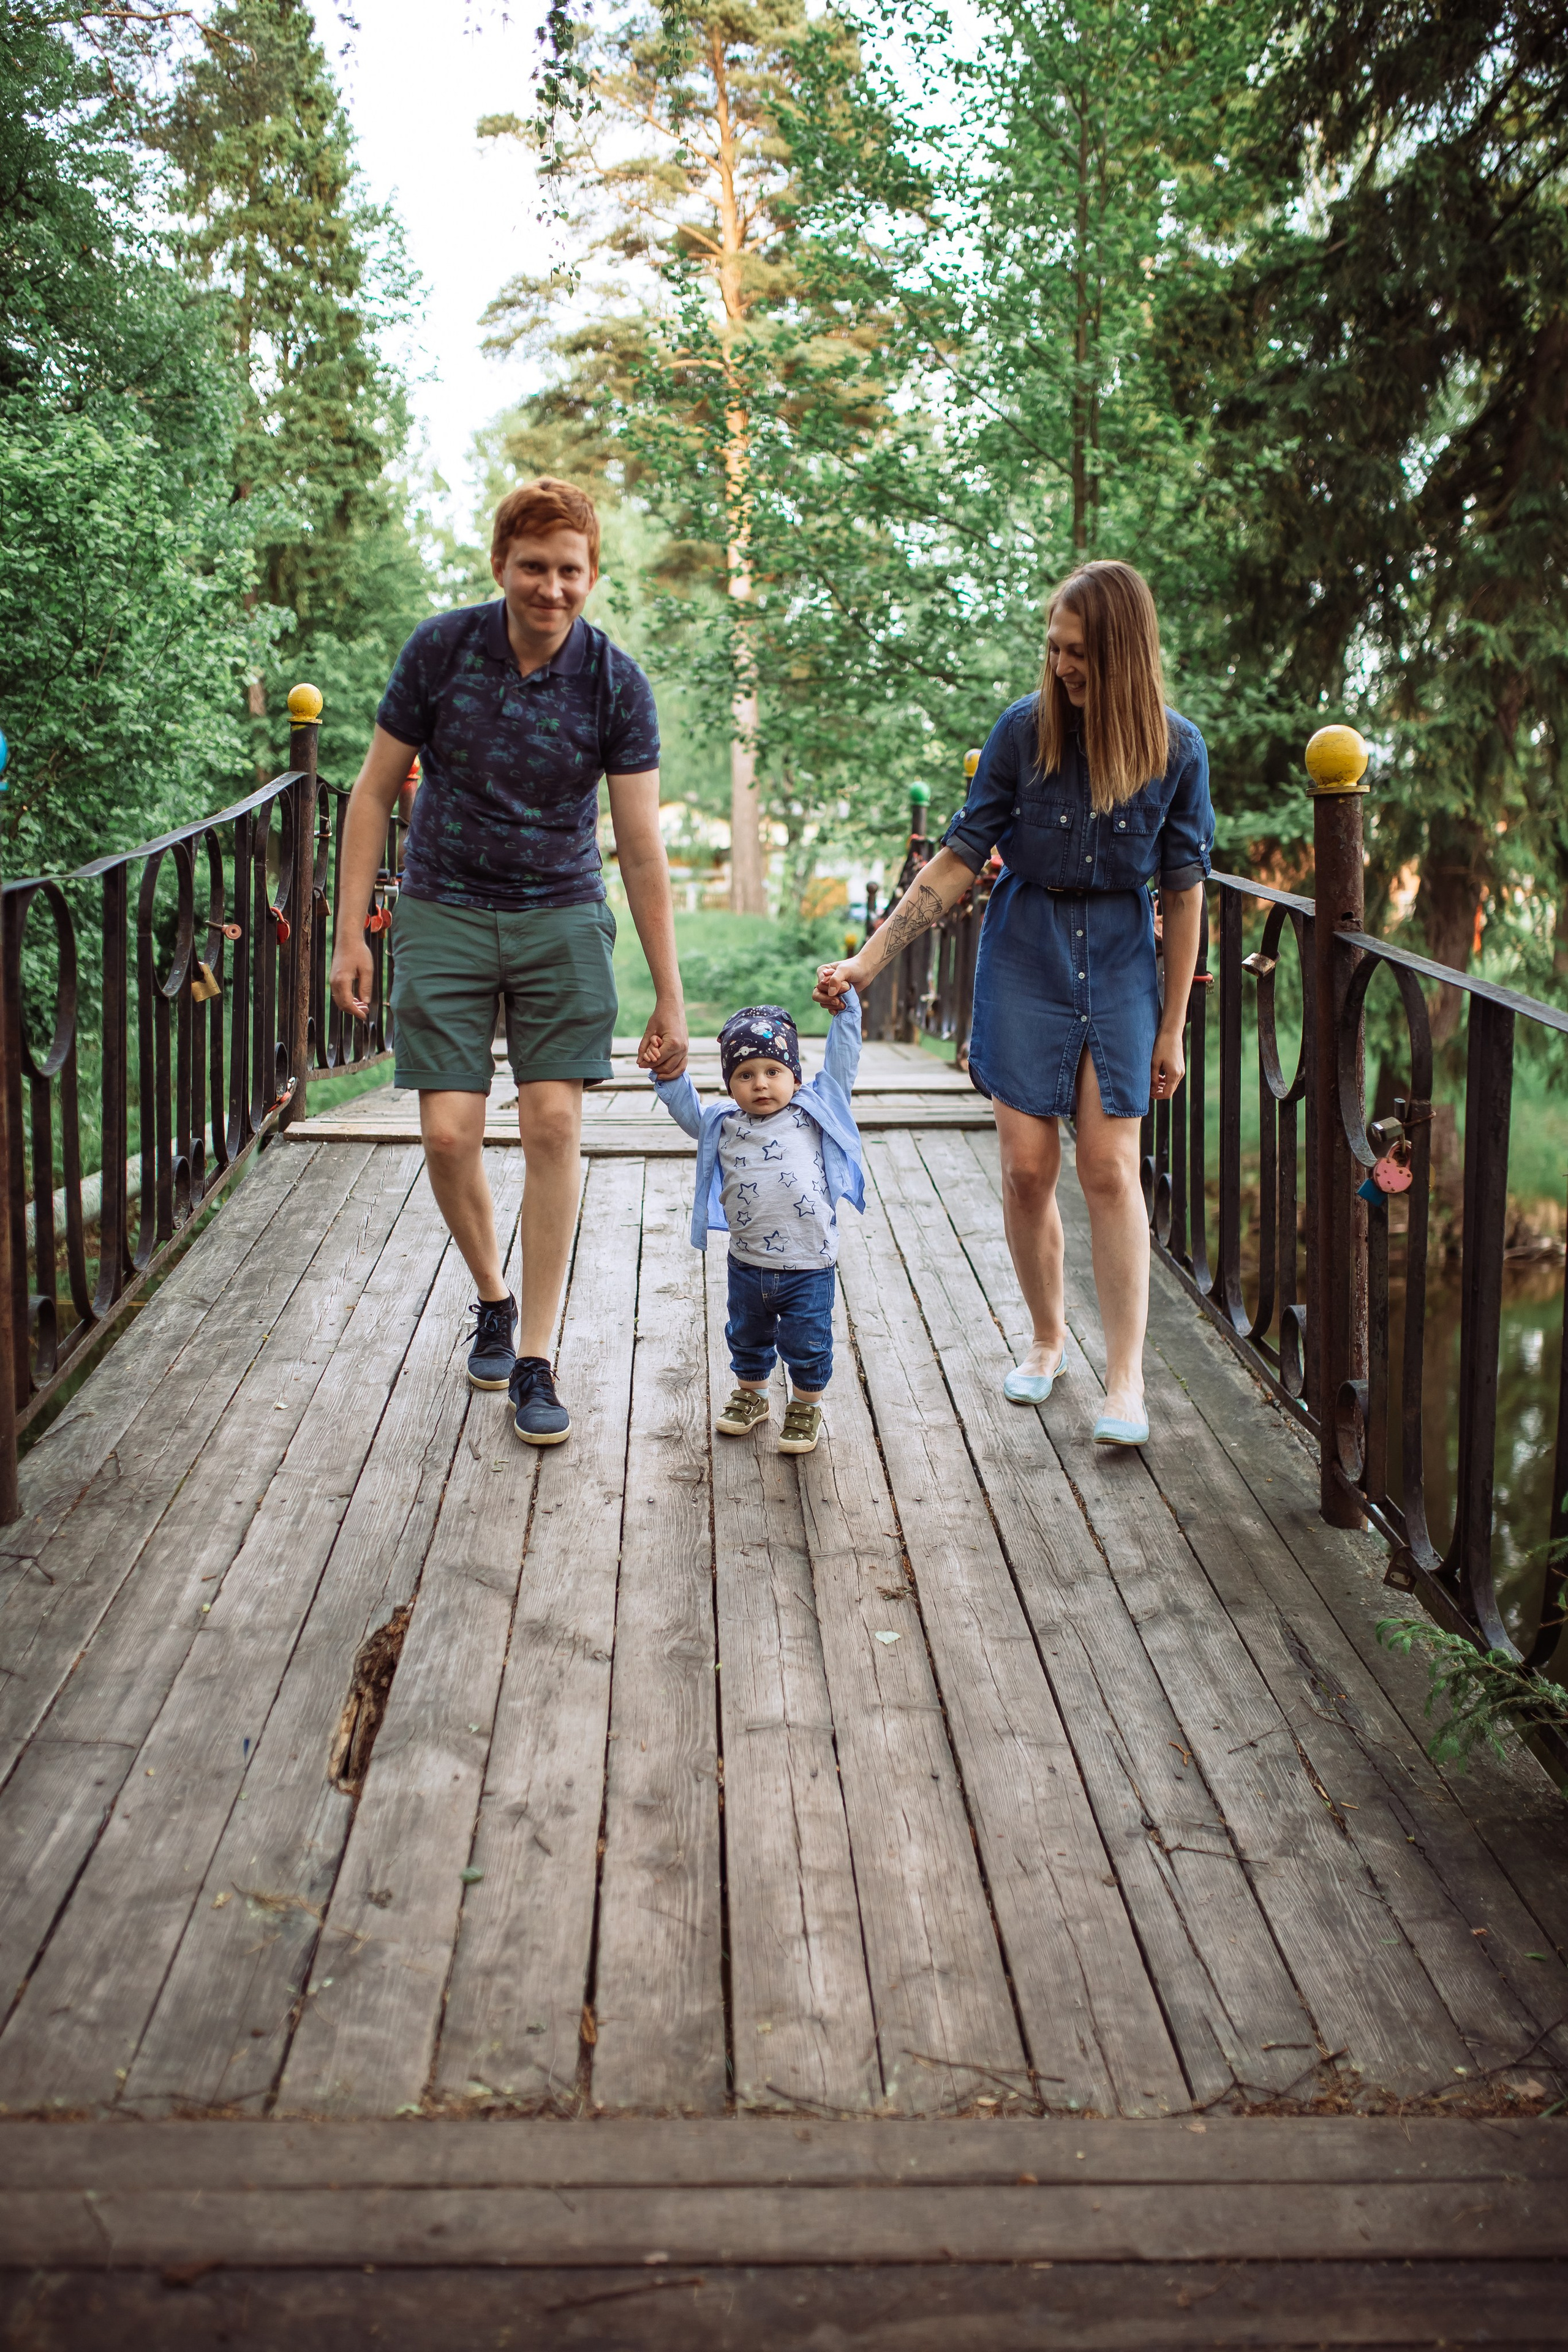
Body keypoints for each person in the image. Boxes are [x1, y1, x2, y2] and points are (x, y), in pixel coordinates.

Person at [815, 559, 1212, 1448]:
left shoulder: (1177, 749)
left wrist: (1176, 1024)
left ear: (1123, 652)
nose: (1065, 666)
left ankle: (1126, 1379)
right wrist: (869, 962)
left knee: (1108, 1168)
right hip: (1024, 950)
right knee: (1028, 1170)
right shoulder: (1023, 734)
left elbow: (1184, 892)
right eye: (1056, 648)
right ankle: (1046, 1339)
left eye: (1081, 653)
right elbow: (958, 859)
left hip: (1118, 961)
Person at [329, 477, 688, 1447]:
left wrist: (669, 991)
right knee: (448, 1136)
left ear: (592, 575)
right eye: (534, 567)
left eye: (571, 571)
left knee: (554, 1125)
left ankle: (535, 1352)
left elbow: (642, 846)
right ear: (502, 566)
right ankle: (490, 1293)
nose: (552, 588)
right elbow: (370, 795)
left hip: (562, 917)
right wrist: (349, 928)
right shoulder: (442, 651)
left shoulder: (617, 683)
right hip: (443, 908)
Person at [650, 992, 864, 1457]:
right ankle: (753, 1395)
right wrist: (668, 1072)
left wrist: (847, 1013)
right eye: (745, 1075)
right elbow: (687, 1108)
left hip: (809, 1263)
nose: (761, 1084)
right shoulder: (724, 1122)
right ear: (730, 1084)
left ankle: (806, 1406)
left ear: (795, 1076)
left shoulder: (813, 1111)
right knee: (746, 1335)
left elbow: (843, 1063)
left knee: (807, 1343)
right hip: (747, 1261)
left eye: (773, 1072)